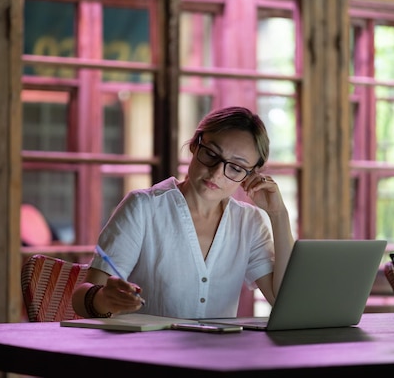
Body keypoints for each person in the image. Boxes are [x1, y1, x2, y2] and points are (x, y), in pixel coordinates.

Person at [72, 106, 295, 319]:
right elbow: (80, 298)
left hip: (218, 356)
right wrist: (104, 299)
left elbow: (283, 301)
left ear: (249, 176)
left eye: (236, 168)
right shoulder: (143, 207)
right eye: (211, 154)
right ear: (194, 146)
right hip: (146, 353)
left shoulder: (249, 223)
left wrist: (278, 215)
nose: (217, 172)